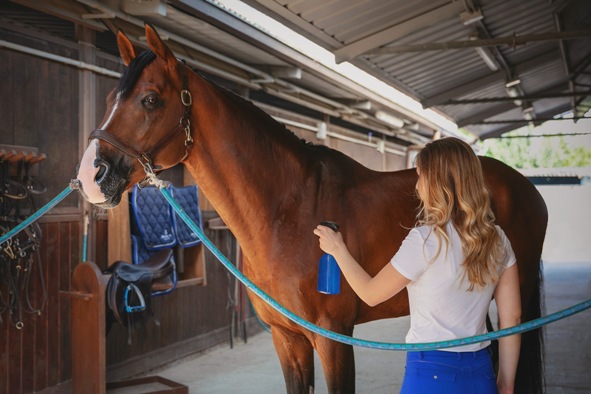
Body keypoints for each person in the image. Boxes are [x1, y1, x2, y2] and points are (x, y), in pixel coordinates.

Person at [314, 137, 521, 394]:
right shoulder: (498, 239)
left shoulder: (424, 240)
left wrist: (338, 249)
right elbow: (512, 318)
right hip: (480, 373)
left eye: (421, 176)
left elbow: (371, 294)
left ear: (436, 183)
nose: (418, 184)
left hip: (429, 373)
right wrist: (506, 383)